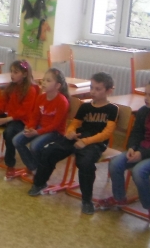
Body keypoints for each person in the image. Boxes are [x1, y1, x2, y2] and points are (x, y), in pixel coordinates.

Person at [28, 72, 119, 215]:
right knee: (49, 151)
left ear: (109, 91)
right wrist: (70, 132)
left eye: (98, 89)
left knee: (85, 163)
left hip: (96, 143)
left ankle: (87, 201)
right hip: (77, 138)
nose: (93, 91)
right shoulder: (85, 106)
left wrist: (85, 141)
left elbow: (106, 133)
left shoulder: (112, 109)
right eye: (92, 87)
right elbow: (75, 124)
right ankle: (39, 183)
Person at [99, 79, 150, 224]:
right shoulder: (144, 112)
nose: (146, 98)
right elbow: (136, 133)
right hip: (141, 150)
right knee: (115, 163)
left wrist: (142, 154)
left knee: (139, 171)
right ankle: (119, 198)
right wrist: (132, 147)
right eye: (145, 94)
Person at [12, 68, 70, 180]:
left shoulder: (62, 101)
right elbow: (35, 117)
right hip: (40, 128)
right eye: (43, 80)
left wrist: (37, 132)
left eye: (48, 81)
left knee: (34, 146)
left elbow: (55, 125)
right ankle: (35, 169)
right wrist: (30, 127)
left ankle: (42, 170)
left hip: (55, 132)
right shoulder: (41, 97)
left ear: (58, 86)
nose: (44, 83)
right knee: (17, 140)